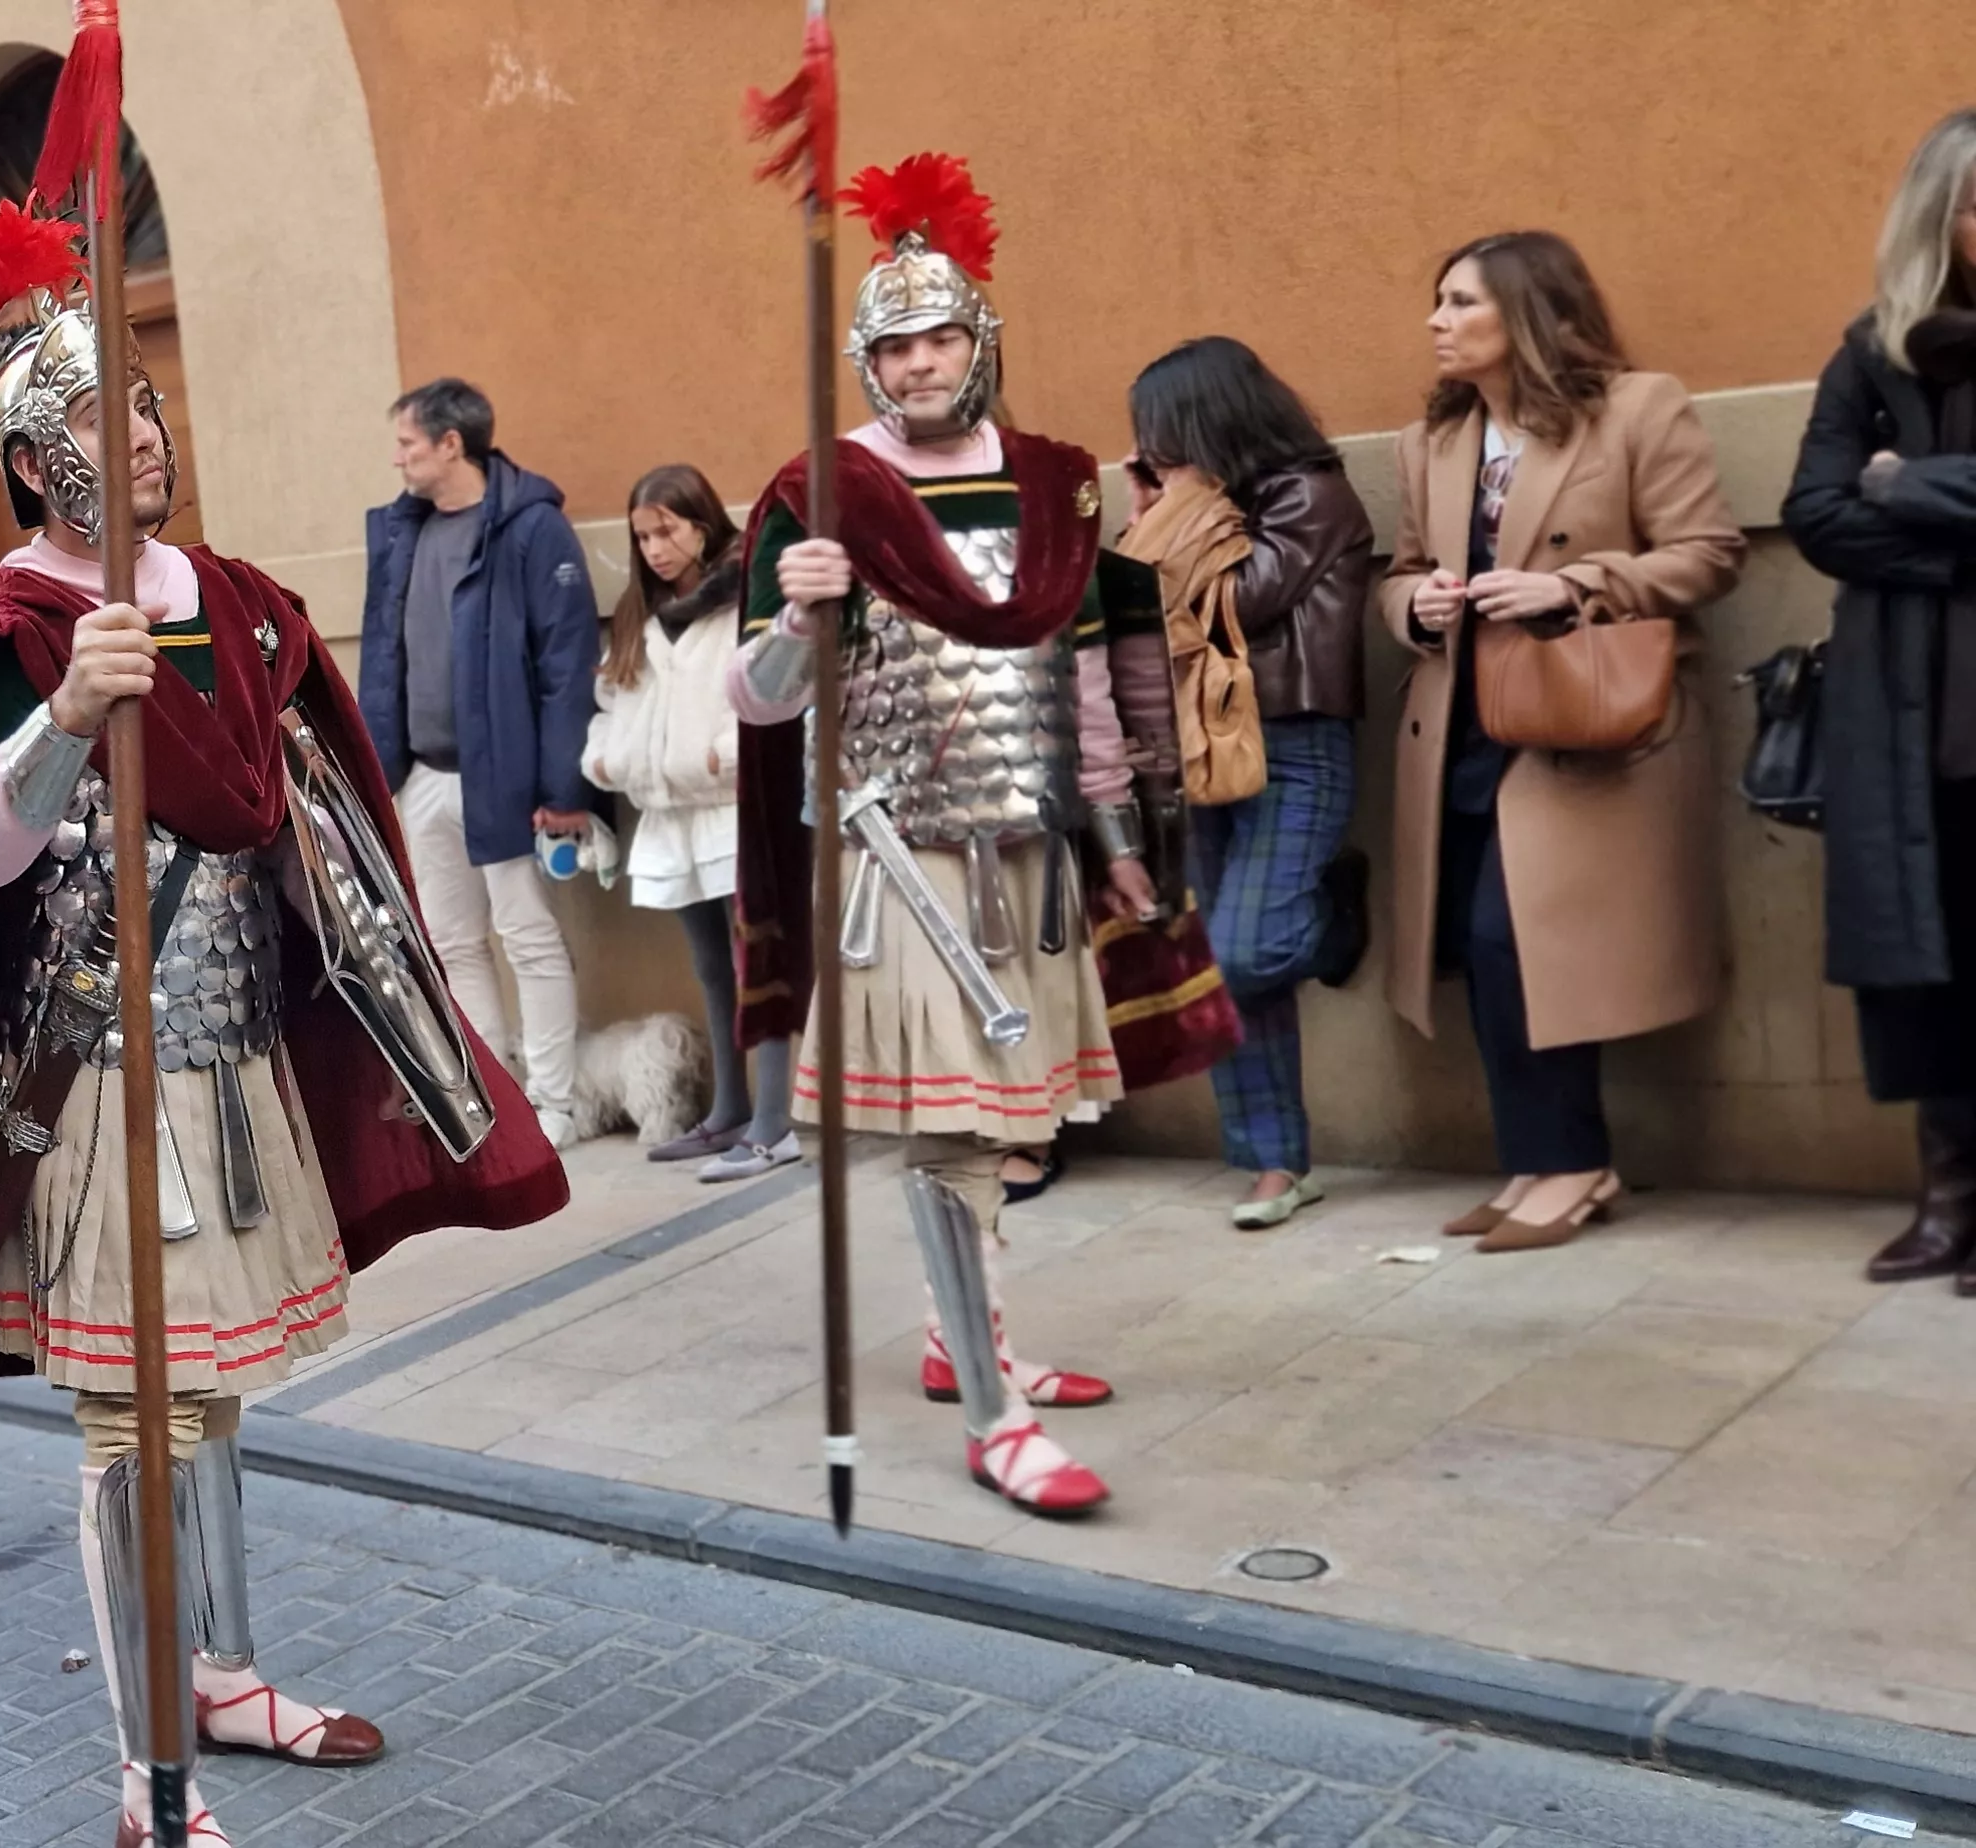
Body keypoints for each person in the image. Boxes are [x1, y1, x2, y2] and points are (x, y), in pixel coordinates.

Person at [0, 204, 569, 1847]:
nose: (138, 431)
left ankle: (231, 1671)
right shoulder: (11, 639)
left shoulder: (246, 609)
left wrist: (420, 1047)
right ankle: (147, 1763)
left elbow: (317, 830)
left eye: (144, 402)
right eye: (97, 417)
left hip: (243, 1063)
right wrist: (67, 715)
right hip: (95, 1081)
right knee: (134, 1412)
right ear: (36, 461)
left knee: (222, 1391)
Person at [731, 154, 1167, 1517]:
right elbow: (750, 699)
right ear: (866, 361)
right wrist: (800, 623)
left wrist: (1119, 836)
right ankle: (991, 1415)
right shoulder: (818, 491)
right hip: (896, 857)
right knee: (953, 1131)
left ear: (981, 342)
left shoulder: (1055, 482)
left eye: (941, 337)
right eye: (895, 343)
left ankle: (958, 1335)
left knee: (1011, 1113)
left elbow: (1083, 676)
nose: (920, 363)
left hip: (1029, 857)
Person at [1376, 232, 1745, 1253]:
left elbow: (1708, 553)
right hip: (1463, 720)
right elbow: (1397, 571)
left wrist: (1573, 585)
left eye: (1459, 303)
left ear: (1527, 313)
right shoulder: (1434, 442)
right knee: (1480, 947)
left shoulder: (1635, 408)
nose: (1436, 322)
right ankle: (1535, 1159)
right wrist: (1418, 605)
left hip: (1586, 721)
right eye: (1436, 300)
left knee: (1519, 938)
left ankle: (1575, 1161)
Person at [1120, 338, 1378, 1230]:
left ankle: (1334, 915)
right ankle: (1276, 1162)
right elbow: (1134, 605)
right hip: (1205, 747)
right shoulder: (1200, 506)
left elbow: (1241, 601)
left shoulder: (1311, 498)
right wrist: (1153, 516)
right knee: (1222, 973)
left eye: (1159, 432)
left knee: (1244, 952)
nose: (1150, 449)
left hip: (1297, 743)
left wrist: (1175, 511)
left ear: (1205, 421)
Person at [1793, 109, 1976, 1286]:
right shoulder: (1872, 353)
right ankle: (1951, 1199)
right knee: (1929, 960)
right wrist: (1955, 540)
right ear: (1939, 218)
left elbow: (1862, 501)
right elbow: (1813, 513)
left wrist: (1904, 482)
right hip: (1912, 721)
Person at [359, 377, 603, 1147]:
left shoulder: (533, 530)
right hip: (422, 774)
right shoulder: (403, 533)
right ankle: (491, 1101)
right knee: (453, 943)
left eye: (407, 444)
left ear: (451, 444)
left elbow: (569, 665)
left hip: (510, 778)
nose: (397, 459)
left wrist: (564, 787)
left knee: (528, 936)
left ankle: (555, 1103)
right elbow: (383, 653)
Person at [581, 464, 792, 1181]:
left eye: (666, 530)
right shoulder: (640, 611)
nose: (654, 548)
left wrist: (719, 755)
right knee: (710, 967)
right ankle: (728, 1111)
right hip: (669, 814)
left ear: (702, 524)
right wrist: (606, 761)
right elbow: (613, 701)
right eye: (642, 536)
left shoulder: (745, 599)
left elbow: (776, 688)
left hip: (734, 809)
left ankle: (775, 1120)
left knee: (757, 964)